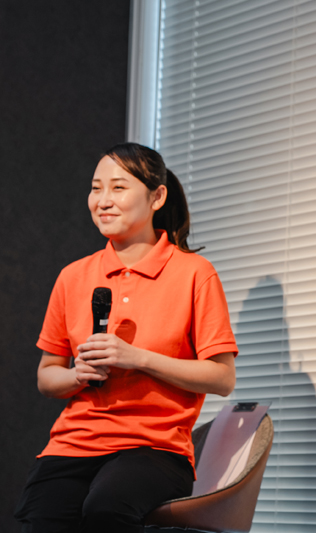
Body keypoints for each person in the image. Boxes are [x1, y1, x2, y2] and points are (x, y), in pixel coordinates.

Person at [14, 143, 238, 533]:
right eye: (95, 188)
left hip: (154, 449)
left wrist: (138, 358)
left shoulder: (194, 273)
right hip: (74, 444)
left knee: (106, 508)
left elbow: (221, 378)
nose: (103, 200)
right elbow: (47, 375)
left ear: (157, 196)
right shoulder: (73, 276)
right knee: (43, 517)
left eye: (118, 188)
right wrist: (78, 374)